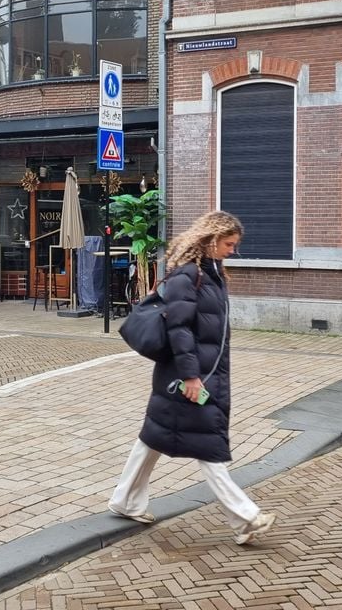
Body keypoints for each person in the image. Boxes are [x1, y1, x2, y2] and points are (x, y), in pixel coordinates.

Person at [108, 210, 276, 546]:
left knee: (153, 438)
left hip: (197, 373)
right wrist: (191, 377)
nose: (232, 251)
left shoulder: (210, 274)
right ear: (211, 240)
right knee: (208, 445)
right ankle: (245, 517)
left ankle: (125, 501)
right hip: (187, 377)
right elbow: (179, 329)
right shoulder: (189, 276)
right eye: (229, 244)